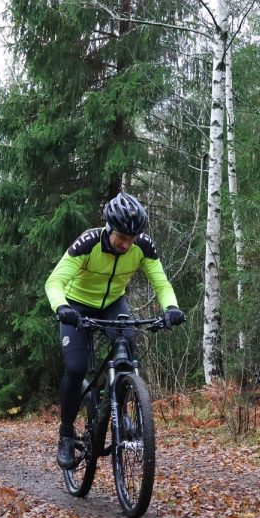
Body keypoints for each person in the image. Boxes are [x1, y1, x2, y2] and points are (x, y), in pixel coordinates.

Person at [44, 192, 185, 469]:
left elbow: (161, 283)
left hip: (112, 304)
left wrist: (171, 308)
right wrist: (61, 307)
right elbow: (54, 281)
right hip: (76, 305)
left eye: (132, 238)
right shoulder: (88, 243)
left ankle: (122, 412)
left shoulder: (143, 246)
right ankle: (66, 434)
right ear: (109, 228)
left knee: (127, 350)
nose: (126, 244)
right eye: (122, 237)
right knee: (76, 368)